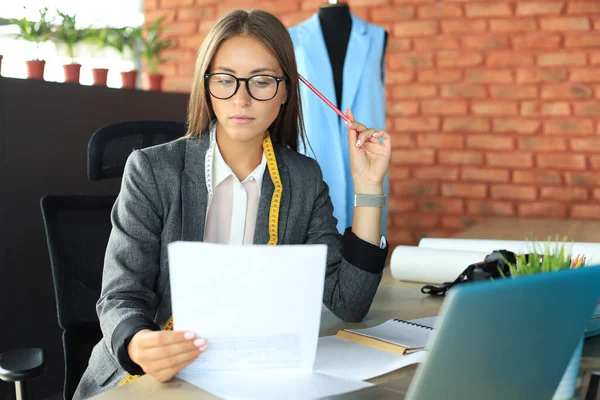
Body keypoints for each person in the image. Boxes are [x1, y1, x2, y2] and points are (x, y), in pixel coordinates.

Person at [73, 9, 391, 399]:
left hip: (252, 379)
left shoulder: (303, 179)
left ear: (285, 90)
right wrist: (140, 344)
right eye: (225, 80)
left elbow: (350, 302)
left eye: (261, 81)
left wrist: (368, 187)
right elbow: (121, 296)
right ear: (206, 86)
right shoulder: (152, 170)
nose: (241, 98)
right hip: (150, 380)